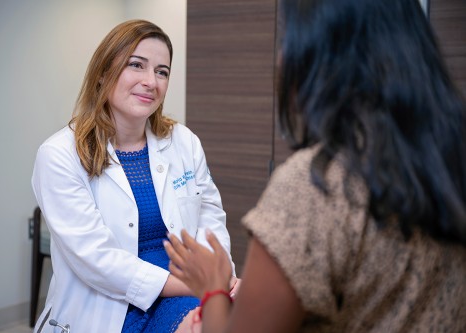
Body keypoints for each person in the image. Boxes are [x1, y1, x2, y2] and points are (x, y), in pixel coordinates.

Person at [164, 0, 466, 332]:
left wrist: (213, 290)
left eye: (287, 40)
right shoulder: (451, 161)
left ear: (315, 57)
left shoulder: (315, 185)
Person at [31, 19, 240, 333]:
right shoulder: (59, 154)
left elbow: (211, 218)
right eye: (136, 65)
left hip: (185, 290)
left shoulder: (183, 142)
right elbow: (96, 259)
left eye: (162, 71)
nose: (151, 81)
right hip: (110, 305)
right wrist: (203, 284)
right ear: (103, 74)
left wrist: (218, 272)